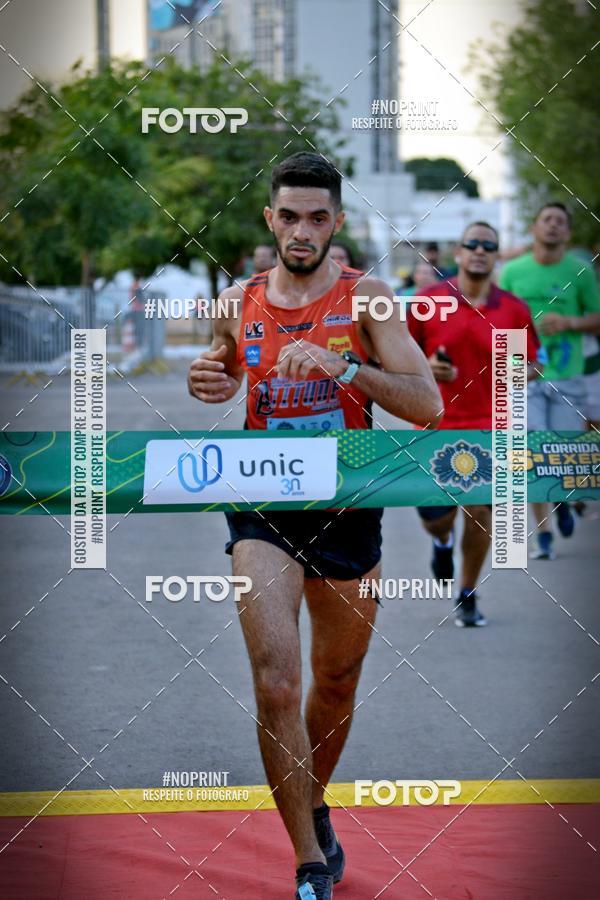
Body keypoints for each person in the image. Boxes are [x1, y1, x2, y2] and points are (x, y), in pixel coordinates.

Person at [188, 151, 441, 900]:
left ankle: (314, 802)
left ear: (337, 222)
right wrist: (212, 380)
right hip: (261, 502)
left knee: (333, 683)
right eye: (289, 216)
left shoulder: (371, 300)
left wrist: (346, 372)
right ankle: (307, 860)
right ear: (270, 219)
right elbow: (223, 371)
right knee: (276, 680)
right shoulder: (237, 299)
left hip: (349, 503)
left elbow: (426, 403)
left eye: (318, 217)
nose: (303, 230)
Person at [409, 222, 542, 627]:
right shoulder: (428, 301)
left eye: (489, 245)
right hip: (435, 428)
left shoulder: (513, 308)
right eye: (472, 244)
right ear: (459, 253)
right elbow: (400, 361)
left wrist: (518, 373)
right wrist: (426, 369)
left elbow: (534, 363)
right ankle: (442, 542)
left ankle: (467, 591)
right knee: (437, 517)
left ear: (497, 254)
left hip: (491, 427)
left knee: (482, 514)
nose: (480, 250)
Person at [499, 202, 600, 559]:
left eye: (561, 221)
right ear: (534, 228)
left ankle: (564, 503)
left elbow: (598, 317)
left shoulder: (580, 271)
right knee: (533, 451)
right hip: (523, 374)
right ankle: (542, 533)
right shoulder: (512, 272)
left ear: (568, 233)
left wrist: (569, 323)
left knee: (564, 451)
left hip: (567, 374)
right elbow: (496, 321)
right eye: (547, 220)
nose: (553, 226)